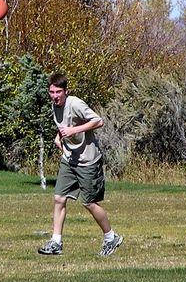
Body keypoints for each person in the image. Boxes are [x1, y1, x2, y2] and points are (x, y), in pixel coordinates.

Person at [38, 73, 123, 256]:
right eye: (52, 92)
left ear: (66, 91)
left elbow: (98, 121)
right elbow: (64, 126)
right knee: (59, 198)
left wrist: (73, 130)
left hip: (88, 161)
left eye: (58, 92)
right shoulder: (55, 105)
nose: (55, 96)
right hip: (69, 159)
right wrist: (58, 137)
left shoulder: (75, 103)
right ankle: (56, 242)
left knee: (89, 203)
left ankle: (111, 237)